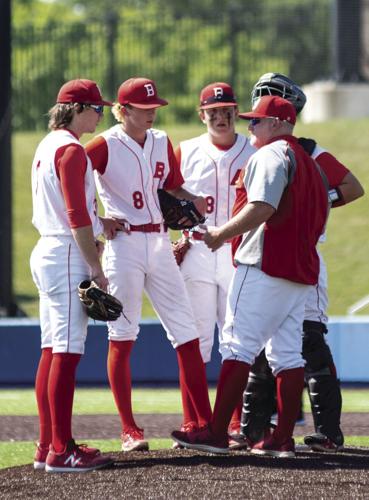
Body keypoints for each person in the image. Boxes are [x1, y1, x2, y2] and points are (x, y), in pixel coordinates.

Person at [171, 94, 329, 457]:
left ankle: (214, 432)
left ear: (278, 123)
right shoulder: (309, 161)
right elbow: (323, 214)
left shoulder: (272, 155)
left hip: (266, 264)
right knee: (287, 355)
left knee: (236, 345)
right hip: (300, 271)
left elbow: (262, 206)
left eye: (256, 121)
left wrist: (219, 235)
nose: (249, 126)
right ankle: (282, 438)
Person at [236, 73, 364, 453]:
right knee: (258, 345)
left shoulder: (309, 149)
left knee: (308, 341)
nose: (262, 104)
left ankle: (328, 431)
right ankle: (252, 429)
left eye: (271, 97)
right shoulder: (254, 146)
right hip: (261, 253)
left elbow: (353, 187)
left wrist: (310, 202)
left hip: (301, 254)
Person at [85, 77, 212, 452]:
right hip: (123, 245)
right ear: (122, 110)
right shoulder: (103, 145)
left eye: (155, 106)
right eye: (144, 108)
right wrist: (97, 221)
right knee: (122, 337)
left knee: (187, 332)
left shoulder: (160, 140)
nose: (152, 112)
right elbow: (70, 181)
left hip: (159, 241)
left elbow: (172, 186)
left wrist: (194, 200)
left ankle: (200, 423)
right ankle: (129, 429)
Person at [31, 79, 121, 472]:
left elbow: (70, 211)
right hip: (67, 253)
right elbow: (75, 216)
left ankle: (46, 444)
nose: (100, 114)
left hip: (49, 249)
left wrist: (101, 223)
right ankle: (62, 450)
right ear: (79, 108)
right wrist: (97, 266)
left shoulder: (47, 144)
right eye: (96, 108)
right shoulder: (71, 150)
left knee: (52, 350)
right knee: (66, 353)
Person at [174, 82, 256, 438]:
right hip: (196, 249)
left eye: (227, 111)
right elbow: (163, 196)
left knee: (234, 337)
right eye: (213, 112)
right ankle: (193, 420)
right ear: (201, 114)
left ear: (237, 113)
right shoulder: (186, 150)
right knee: (195, 339)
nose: (220, 117)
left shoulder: (255, 149)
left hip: (239, 250)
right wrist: (174, 233)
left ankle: (233, 421)